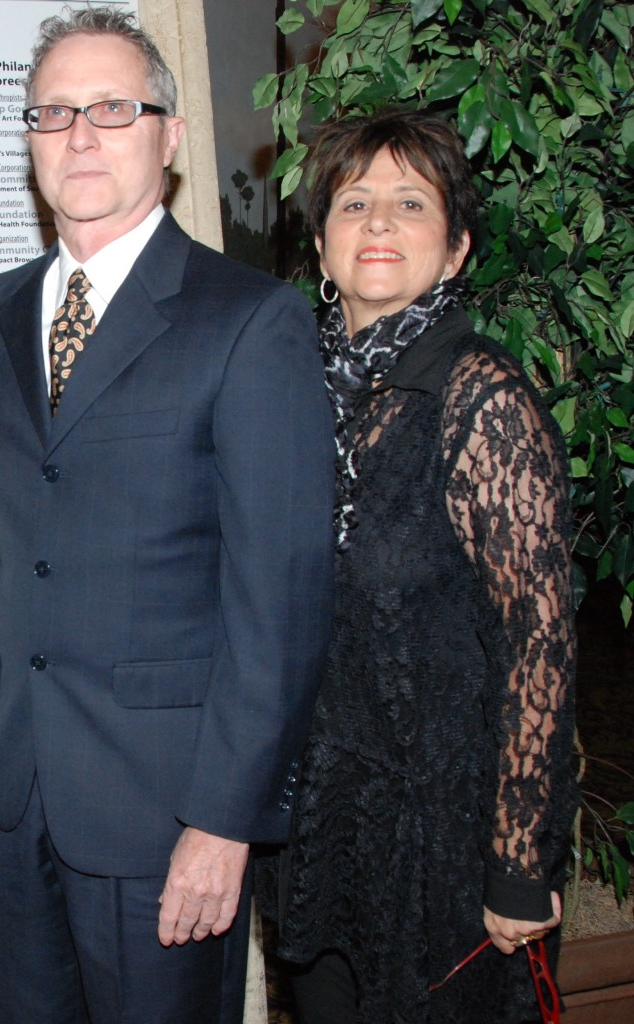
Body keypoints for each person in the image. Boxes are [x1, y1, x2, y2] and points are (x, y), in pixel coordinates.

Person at [0, 7, 334, 1023]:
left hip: (166, 817)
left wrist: (223, 822)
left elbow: (282, 608)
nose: (79, 134)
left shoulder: (249, 321)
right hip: (19, 799)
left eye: (113, 108)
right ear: (29, 139)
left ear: (169, 138)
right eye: (53, 112)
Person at [255, 109, 578, 1024]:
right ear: (321, 247)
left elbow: (540, 640)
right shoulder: (291, 395)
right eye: (355, 204)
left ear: (457, 248)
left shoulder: (482, 402)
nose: (381, 224)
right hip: (323, 822)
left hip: (448, 832)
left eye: (410, 203)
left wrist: (517, 860)